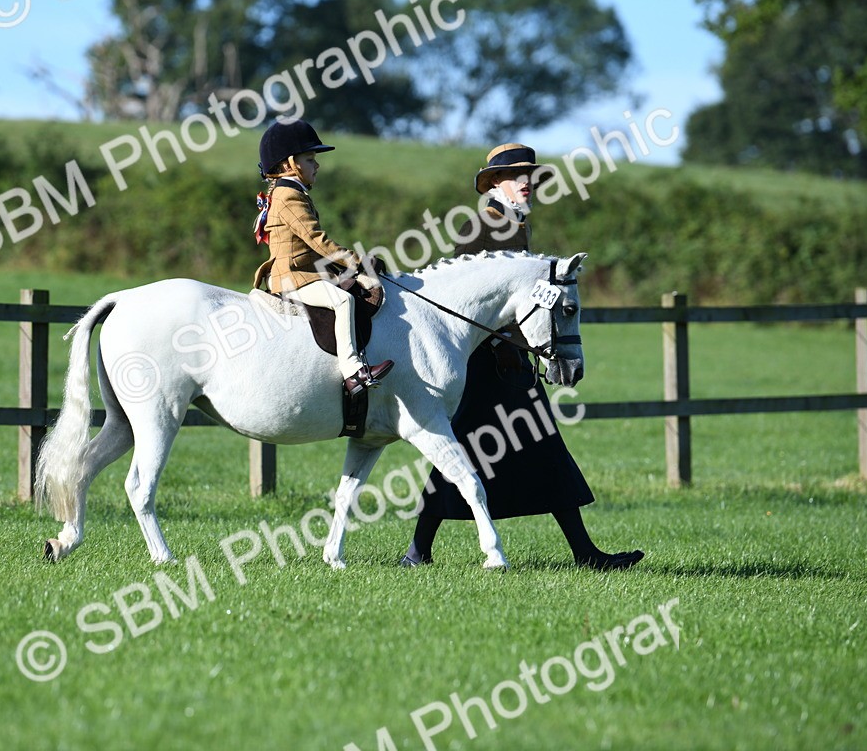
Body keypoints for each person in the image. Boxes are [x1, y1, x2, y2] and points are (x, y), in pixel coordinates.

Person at [398, 143, 644, 570]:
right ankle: (418, 550)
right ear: (495, 183)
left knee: (537, 448)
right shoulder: (479, 226)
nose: (527, 182)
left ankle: (584, 552)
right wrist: (501, 345)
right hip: (485, 361)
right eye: (517, 176)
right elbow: (468, 300)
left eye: (530, 175)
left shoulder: (516, 223)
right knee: (465, 450)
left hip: (511, 359)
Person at [252, 119, 393, 395]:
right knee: (343, 301)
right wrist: (358, 261)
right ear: (290, 163)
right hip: (293, 278)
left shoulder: (290, 192)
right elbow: (319, 242)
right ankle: (353, 372)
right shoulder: (288, 197)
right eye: (310, 159)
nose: (317, 165)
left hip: (303, 271)